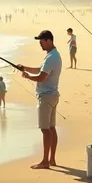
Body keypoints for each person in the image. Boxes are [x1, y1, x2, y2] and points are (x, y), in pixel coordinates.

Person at [18, 30, 62, 170]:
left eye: (41, 42)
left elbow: (42, 77)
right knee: (51, 128)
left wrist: (27, 76)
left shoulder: (51, 58)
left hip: (46, 96)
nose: (40, 44)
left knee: (45, 130)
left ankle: (45, 161)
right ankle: (52, 159)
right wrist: (25, 68)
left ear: (49, 40)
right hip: (53, 95)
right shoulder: (53, 55)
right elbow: (40, 70)